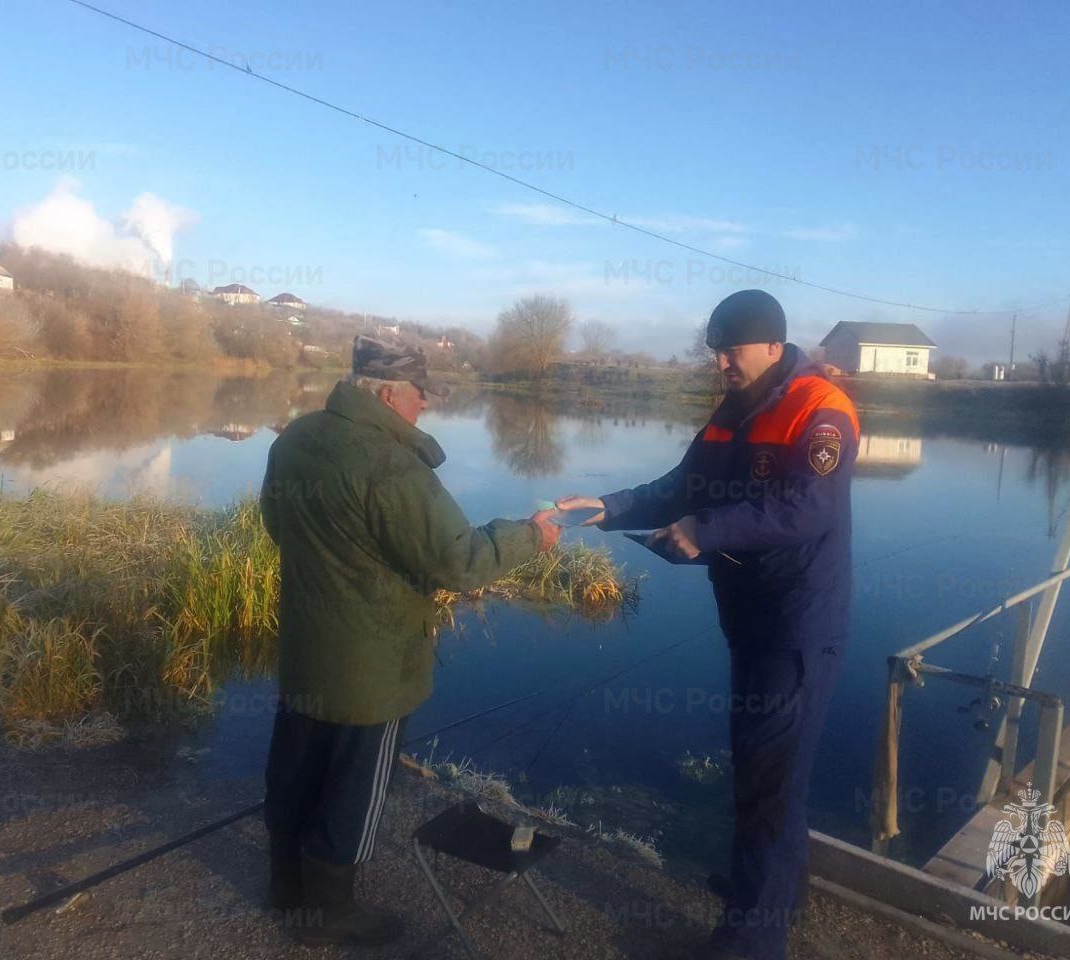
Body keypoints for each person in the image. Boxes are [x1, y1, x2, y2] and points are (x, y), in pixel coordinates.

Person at [557, 290, 858, 960]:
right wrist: (607, 506)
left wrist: (707, 529)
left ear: (774, 346)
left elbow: (807, 509)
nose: (721, 361)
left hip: (798, 626)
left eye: (732, 348)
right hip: (750, 620)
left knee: (771, 774)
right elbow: (681, 485)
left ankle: (754, 938)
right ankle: (774, 890)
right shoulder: (733, 412)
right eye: (715, 349)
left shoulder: (821, 409)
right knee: (763, 765)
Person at [258, 335, 561, 946]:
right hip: (372, 668)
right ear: (392, 394)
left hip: (306, 654)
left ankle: (284, 888)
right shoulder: (392, 466)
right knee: (353, 790)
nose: (426, 407)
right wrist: (531, 536)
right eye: (422, 396)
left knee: (296, 768)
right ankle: (328, 917)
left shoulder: (296, 438)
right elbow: (459, 561)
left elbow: (275, 523)